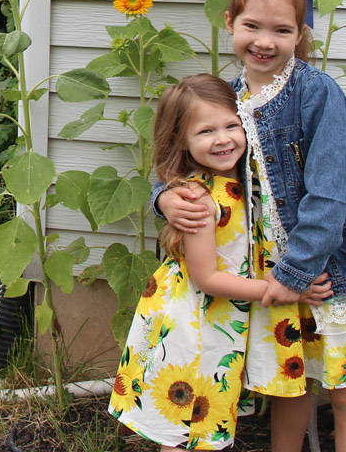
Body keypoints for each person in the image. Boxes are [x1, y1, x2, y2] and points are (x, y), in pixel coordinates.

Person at [156, 0, 346, 452]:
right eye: (251, 25)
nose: (264, 42)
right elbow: (180, 153)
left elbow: (331, 195)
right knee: (288, 383)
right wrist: (164, 199)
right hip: (268, 275)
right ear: (230, 22)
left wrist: (295, 275)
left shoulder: (317, 95)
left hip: (326, 272)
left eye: (282, 31)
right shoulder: (224, 97)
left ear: (301, 35)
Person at [109, 73, 332, 451]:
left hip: (222, 318)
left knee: (203, 420)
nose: (223, 139)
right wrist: (284, 290)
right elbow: (207, 278)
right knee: (191, 426)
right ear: (181, 139)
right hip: (196, 322)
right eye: (206, 131)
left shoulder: (246, 182)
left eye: (232, 125)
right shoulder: (196, 197)